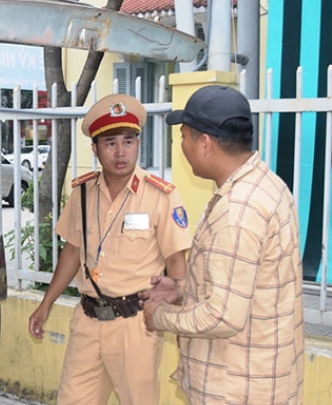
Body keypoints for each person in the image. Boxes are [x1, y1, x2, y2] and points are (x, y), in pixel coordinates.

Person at [141, 85, 304, 405]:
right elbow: (244, 286)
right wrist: (182, 290)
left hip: (237, 389)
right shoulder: (267, 185)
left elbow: (222, 317)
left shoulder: (238, 210)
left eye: (184, 136)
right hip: (262, 380)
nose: (182, 146)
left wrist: (158, 316)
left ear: (205, 143)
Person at [28, 94, 192, 405]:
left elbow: (176, 263)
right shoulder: (83, 193)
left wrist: (182, 327)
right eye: (110, 142)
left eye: (128, 141)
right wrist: (45, 304)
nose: (120, 152)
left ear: (138, 144)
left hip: (136, 327)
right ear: (95, 148)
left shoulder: (161, 196)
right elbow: (72, 252)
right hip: (88, 321)